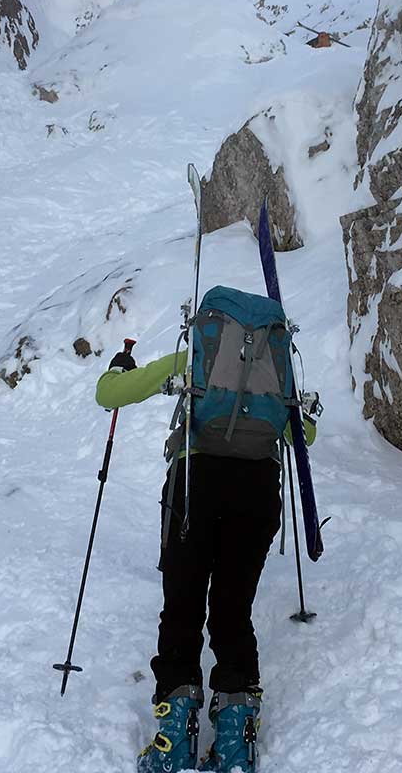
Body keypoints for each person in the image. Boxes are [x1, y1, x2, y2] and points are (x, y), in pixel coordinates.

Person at [95, 292, 320, 773]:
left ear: (210, 328)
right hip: (258, 490)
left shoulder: (195, 357)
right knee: (232, 609)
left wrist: (118, 370)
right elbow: (305, 435)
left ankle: (175, 737)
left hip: (194, 484)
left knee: (183, 603)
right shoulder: (274, 370)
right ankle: (236, 739)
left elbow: (109, 395)